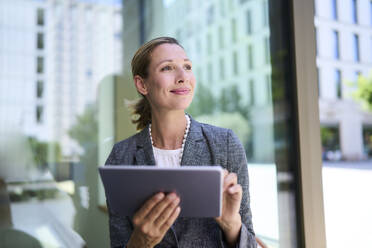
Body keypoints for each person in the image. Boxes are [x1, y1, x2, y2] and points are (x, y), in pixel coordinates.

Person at [105, 37, 257, 248]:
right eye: (167, 68)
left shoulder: (226, 144)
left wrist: (231, 224)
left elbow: (249, 241)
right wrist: (141, 242)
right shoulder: (121, 156)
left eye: (187, 66)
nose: (183, 76)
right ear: (142, 84)